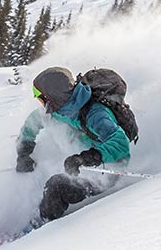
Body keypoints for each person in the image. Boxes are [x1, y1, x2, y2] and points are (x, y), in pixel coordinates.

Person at [16, 66, 132, 222]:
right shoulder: (57, 109)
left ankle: (40, 225)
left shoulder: (95, 114)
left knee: (56, 186)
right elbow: (32, 122)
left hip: (109, 167)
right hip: (84, 159)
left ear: (50, 96)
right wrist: (24, 151)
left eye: (38, 95)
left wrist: (86, 158)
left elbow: (120, 142)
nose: (38, 101)